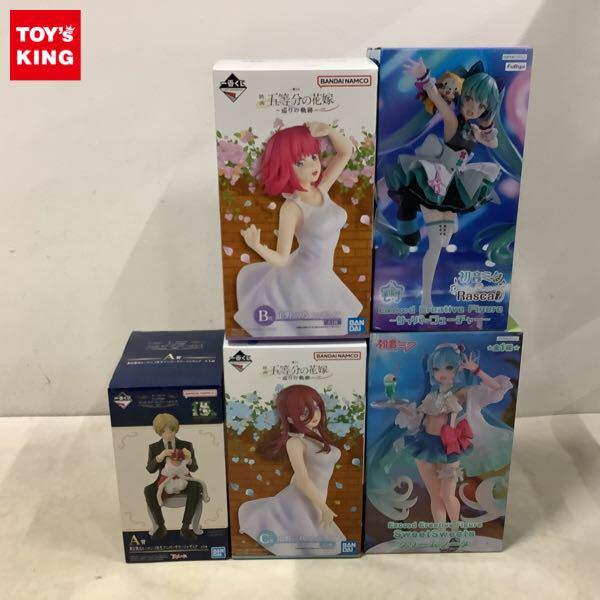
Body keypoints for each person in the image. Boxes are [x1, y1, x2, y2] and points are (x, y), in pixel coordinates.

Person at [234, 122, 362, 336]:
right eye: (300, 162)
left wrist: (330, 131)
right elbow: (281, 259)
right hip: (302, 280)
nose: (312, 165)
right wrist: (256, 246)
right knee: (312, 333)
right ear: (285, 167)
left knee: (329, 331)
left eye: (313, 156)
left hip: (323, 276)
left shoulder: (321, 189)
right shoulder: (292, 208)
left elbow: (345, 152)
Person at [238, 385, 345, 556]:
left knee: (321, 543)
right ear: (289, 418)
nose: (314, 415)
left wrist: (321, 505)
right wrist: (323, 507)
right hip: (302, 500)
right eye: (304, 412)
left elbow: (302, 474)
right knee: (310, 548)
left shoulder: (316, 436)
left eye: (316, 407)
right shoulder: (295, 442)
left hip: (315, 497)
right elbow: (303, 479)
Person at [143, 413, 201, 541]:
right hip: (164, 480)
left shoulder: (186, 445)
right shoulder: (154, 447)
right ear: (159, 432)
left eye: (172, 430)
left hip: (184, 479)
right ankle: (160, 526)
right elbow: (150, 470)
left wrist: (189, 458)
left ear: (176, 429)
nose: (169, 434)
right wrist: (160, 457)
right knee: (148, 490)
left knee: (196, 486)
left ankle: (185, 527)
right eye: (164, 431)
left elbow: (194, 468)